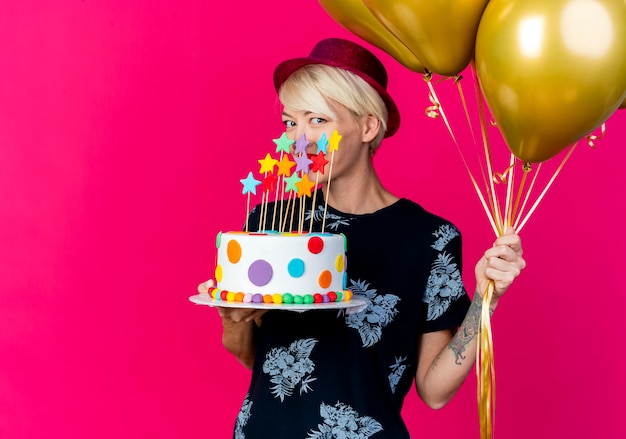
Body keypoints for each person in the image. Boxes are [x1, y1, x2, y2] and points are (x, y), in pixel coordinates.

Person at [214, 38, 526, 438]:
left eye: (318, 120)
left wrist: (487, 299)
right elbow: (250, 353)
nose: (299, 140)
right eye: (291, 122)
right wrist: (232, 318)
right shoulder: (272, 221)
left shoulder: (430, 238)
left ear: (367, 126)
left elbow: (434, 392)